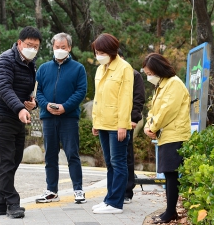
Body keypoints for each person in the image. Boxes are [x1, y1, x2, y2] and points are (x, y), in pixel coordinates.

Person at [0, 26, 42, 219]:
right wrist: (20, 108)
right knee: (7, 161)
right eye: (29, 45)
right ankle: (13, 203)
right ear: (19, 43)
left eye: (36, 46)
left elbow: (27, 92)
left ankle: (0, 203)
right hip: (1, 116)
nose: (32, 49)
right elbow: (3, 88)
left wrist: (31, 104)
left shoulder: (30, 64)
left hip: (18, 116)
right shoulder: (5, 60)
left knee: (13, 161)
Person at [35, 32, 87, 204]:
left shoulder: (78, 68)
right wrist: (46, 105)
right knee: (50, 154)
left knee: (72, 153)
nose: (59, 50)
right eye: (56, 47)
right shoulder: (43, 68)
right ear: (53, 47)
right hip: (48, 117)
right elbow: (38, 91)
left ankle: (78, 190)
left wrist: (65, 107)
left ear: (69, 48)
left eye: (63, 47)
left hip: (69, 118)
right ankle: (51, 191)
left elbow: (81, 92)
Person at [142, 53, 191, 224]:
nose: (148, 77)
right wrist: (149, 126)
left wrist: (153, 127)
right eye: (146, 73)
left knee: (171, 174)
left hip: (175, 134)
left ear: (158, 69)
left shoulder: (174, 84)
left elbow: (166, 111)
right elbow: (153, 111)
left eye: (150, 73)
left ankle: (171, 212)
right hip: (166, 135)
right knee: (169, 174)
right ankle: (170, 211)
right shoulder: (161, 86)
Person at [91, 33, 134, 214]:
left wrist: (123, 124)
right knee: (109, 163)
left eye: (101, 51)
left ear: (111, 50)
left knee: (118, 163)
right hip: (102, 123)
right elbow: (97, 97)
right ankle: (109, 199)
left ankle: (116, 203)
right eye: (96, 52)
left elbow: (126, 99)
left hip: (117, 125)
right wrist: (95, 121)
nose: (98, 55)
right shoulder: (101, 68)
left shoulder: (124, 68)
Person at [117, 49, 145, 204]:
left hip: (127, 121)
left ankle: (127, 191)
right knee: (114, 159)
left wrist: (134, 118)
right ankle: (115, 190)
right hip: (111, 122)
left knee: (126, 156)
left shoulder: (134, 75)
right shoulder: (108, 73)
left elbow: (139, 98)